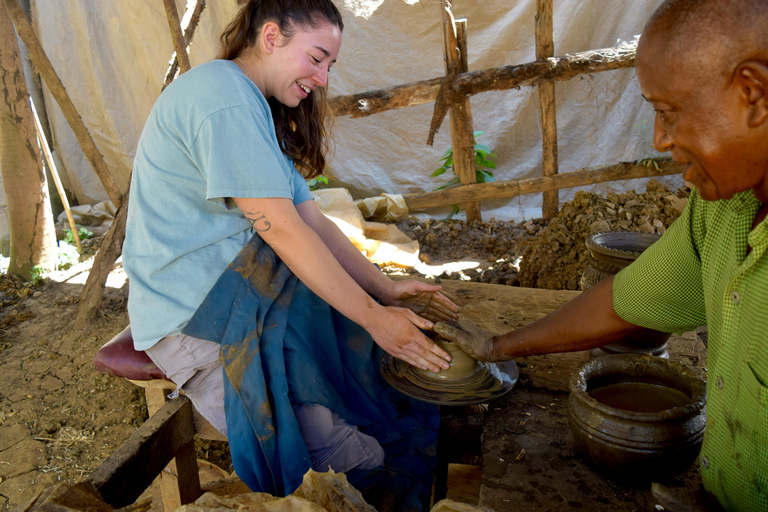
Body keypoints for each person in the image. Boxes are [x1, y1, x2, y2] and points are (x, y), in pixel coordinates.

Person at [122, 1, 458, 509]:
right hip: (192, 316)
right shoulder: (221, 97)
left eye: (331, 66)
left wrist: (384, 289)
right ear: (272, 37)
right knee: (340, 455)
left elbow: (312, 219)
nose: (322, 78)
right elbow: (281, 229)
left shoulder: (249, 103)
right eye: (316, 58)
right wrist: (373, 316)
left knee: (373, 374)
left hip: (239, 290)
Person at [436, 0, 768, 510]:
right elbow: (624, 302)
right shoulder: (722, 212)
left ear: (754, 94)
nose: (660, 139)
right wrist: (498, 346)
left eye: (668, 112)